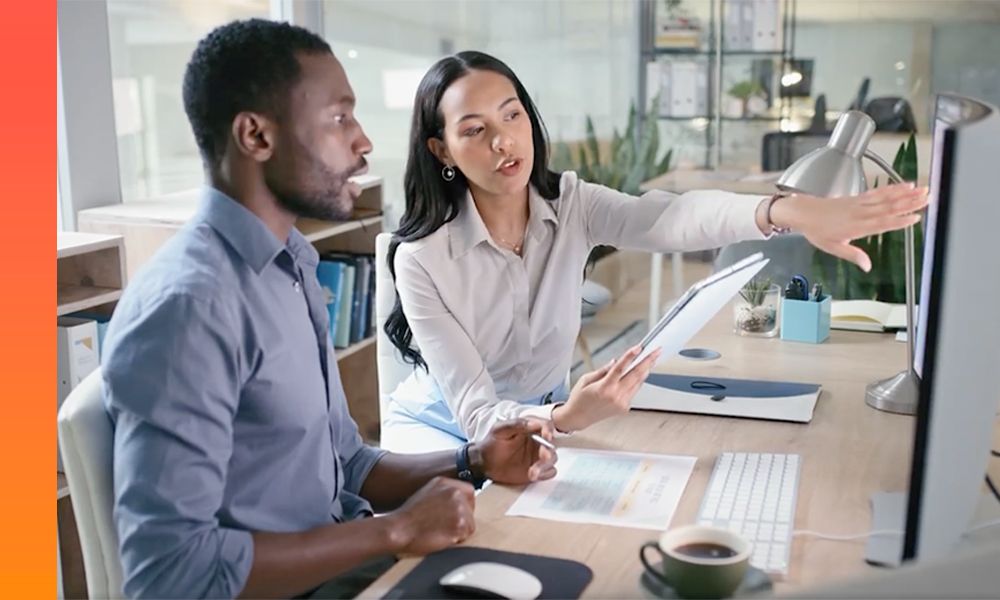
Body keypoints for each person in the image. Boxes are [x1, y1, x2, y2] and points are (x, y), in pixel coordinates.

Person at [101, 21, 556, 600]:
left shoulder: (289, 266)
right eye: (340, 118)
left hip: (344, 564)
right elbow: (172, 575)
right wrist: (396, 529)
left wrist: (476, 460)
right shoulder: (189, 309)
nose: (363, 141)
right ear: (256, 137)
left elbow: (347, 465)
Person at [382, 50, 928, 452]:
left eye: (512, 115)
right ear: (441, 150)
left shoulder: (572, 202)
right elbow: (477, 412)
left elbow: (670, 218)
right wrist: (565, 415)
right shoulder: (423, 258)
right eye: (475, 130)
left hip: (551, 414)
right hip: (446, 431)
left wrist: (783, 211)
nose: (503, 141)